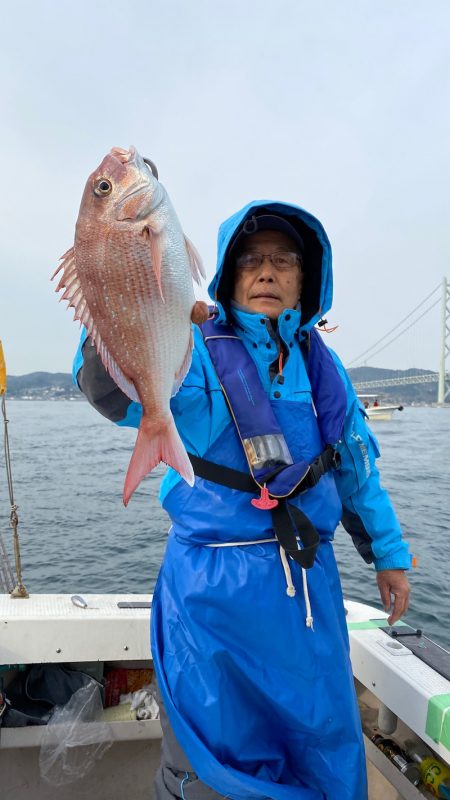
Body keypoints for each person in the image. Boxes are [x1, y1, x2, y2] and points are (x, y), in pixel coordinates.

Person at [73, 200, 412, 800]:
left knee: (325, 747)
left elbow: (354, 467)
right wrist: (117, 291)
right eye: (251, 261)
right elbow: (113, 391)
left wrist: (388, 553)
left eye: (283, 260)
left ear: (308, 281)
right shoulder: (195, 350)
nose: (266, 272)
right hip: (211, 599)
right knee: (212, 769)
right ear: (228, 278)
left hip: (309, 591)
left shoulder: (326, 370)